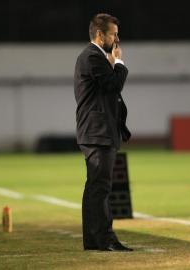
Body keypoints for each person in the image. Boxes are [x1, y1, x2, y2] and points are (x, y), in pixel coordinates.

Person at [74, 13, 132, 252]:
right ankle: (104, 239)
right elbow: (113, 85)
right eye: (113, 34)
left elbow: (106, 90)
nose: (117, 39)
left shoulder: (93, 57)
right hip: (98, 133)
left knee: (95, 188)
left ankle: (94, 240)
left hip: (96, 132)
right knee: (101, 189)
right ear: (100, 34)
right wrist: (118, 62)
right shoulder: (92, 56)